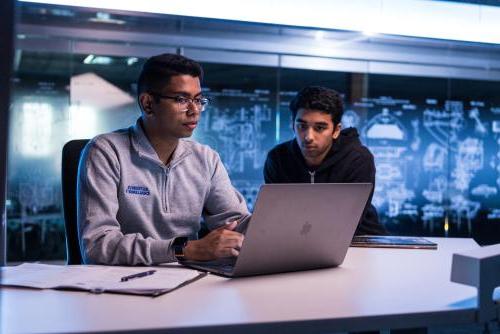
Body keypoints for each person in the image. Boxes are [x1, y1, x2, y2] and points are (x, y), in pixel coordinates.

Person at [77, 53, 250, 265]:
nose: (194, 110)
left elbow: (235, 224)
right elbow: (97, 246)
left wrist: (276, 224)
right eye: (181, 99)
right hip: (123, 286)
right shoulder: (106, 152)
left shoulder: (206, 158)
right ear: (148, 104)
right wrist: (183, 250)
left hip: (190, 282)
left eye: (198, 100)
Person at [264, 86, 386, 235]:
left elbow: (349, 221)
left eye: (320, 128)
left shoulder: (358, 159)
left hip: (358, 240)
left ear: (336, 130)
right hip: (296, 239)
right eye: (302, 126)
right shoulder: (278, 158)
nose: (308, 136)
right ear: (292, 125)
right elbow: (277, 215)